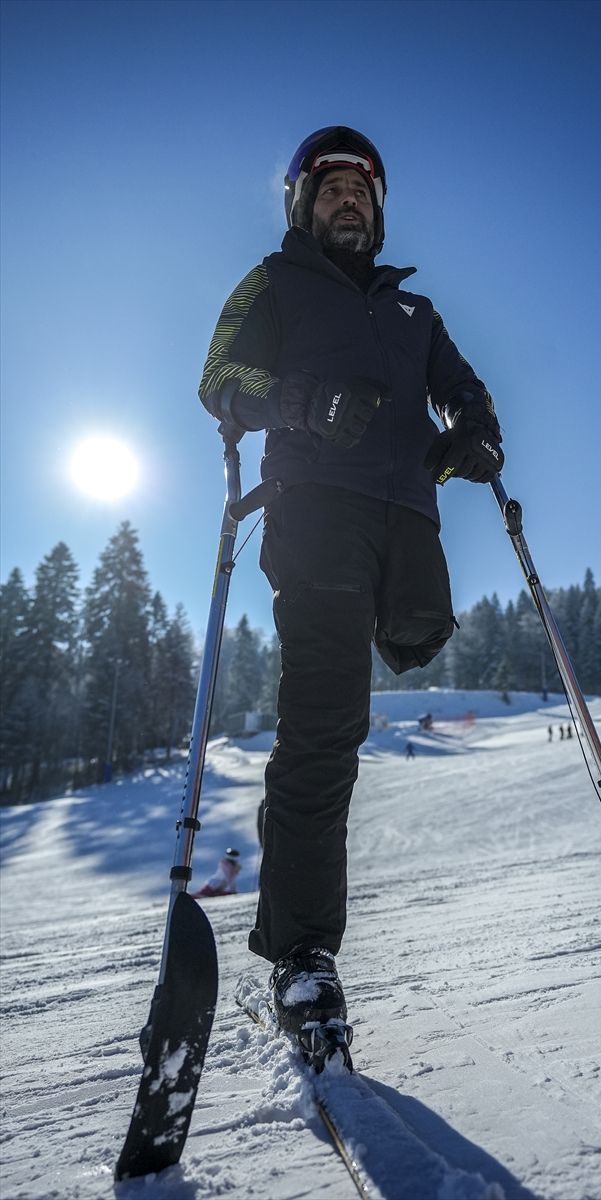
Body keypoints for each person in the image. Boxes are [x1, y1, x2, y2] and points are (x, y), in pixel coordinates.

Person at [198, 126, 503, 1045]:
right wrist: (301, 403)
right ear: (303, 203)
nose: (349, 203)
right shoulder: (273, 283)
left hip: (408, 522)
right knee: (326, 726)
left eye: (363, 193)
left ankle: (302, 944)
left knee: (413, 646)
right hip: (318, 511)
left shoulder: (417, 315)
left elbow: (466, 391)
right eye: (331, 189)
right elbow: (222, 379)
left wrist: (475, 433)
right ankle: (302, 958)